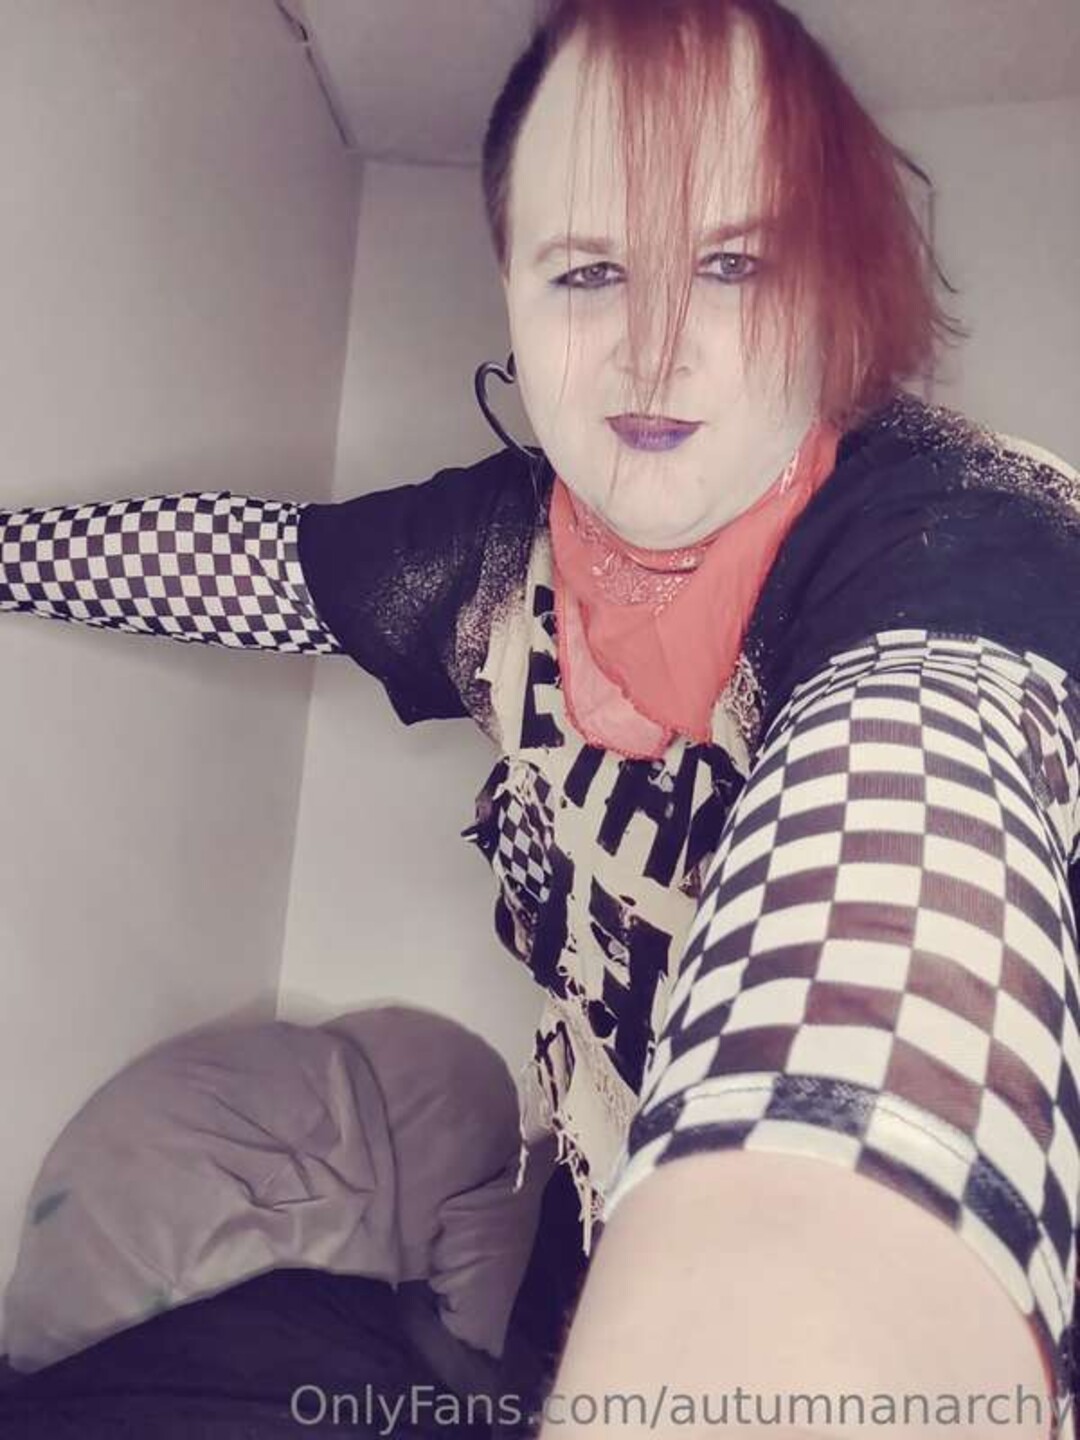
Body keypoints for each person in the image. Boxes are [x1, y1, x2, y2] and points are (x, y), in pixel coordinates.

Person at [3, 0, 1079, 1433]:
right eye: (588, 270)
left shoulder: (964, 539)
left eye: (733, 262)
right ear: (509, 287)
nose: (653, 348)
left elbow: (903, 847)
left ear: (834, 287)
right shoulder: (512, 544)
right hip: (585, 1189)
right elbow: (260, 566)